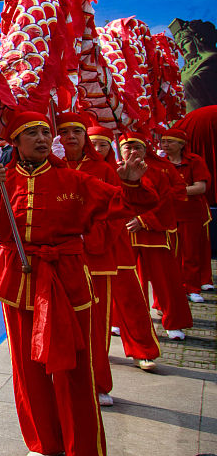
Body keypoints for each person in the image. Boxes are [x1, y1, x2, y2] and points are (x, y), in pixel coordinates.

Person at [0, 112, 155, 456]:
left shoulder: (73, 179)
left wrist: (130, 184)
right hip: (17, 280)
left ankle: (83, 452)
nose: (40, 138)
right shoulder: (2, 181)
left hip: (66, 278)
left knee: (73, 365)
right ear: (14, 143)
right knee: (25, 365)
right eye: (30, 133)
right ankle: (43, 440)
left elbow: (124, 204)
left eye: (44, 132)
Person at [56, 114, 149, 405]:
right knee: (58, 325)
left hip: (95, 259)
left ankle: (97, 383)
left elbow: (115, 213)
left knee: (96, 326)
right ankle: (59, 384)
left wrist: (87, 237)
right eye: (64, 131)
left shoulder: (102, 169)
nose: (71, 136)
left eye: (77, 131)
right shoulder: (47, 167)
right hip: (56, 258)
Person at [88, 127, 163, 373]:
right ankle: (92, 359)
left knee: (130, 298)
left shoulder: (117, 170)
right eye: (94, 144)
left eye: (103, 145)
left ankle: (143, 350)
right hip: (83, 245)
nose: (98, 150)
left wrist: (129, 182)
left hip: (116, 242)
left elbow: (146, 199)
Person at [118, 135, 193, 340]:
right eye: (127, 147)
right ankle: (120, 320)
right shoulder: (114, 171)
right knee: (125, 282)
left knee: (166, 280)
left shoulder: (158, 172)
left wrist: (143, 220)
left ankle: (173, 321)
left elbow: (168, 202)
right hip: (125, 233)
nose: (132, 151)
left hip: (154, 233)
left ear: (145, 150)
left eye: (137, 147)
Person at [159, 128, 211, 301]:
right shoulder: (159, 162)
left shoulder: (194, 161)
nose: (165, 145)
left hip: (191, 214)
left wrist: (172, 193)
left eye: (170, 142)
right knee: (170, 255)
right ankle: (174, 289)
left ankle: (192, 288)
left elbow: (200, 187)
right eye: (163, 142)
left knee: (190, 253)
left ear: (182, 145)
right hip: (168, 215)